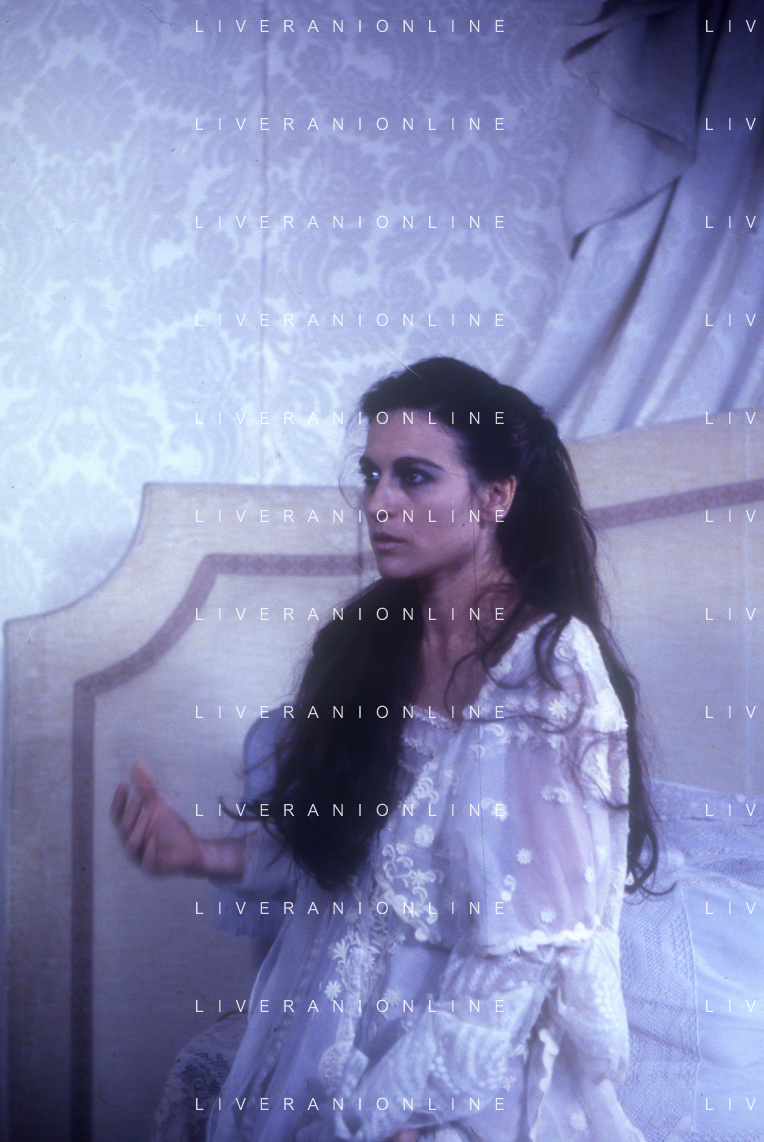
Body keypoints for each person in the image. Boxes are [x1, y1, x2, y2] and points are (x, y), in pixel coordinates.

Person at [112, 356, 656, 1142]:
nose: (379, 503)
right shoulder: (366, 642)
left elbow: (527, 952)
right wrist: (196, 851)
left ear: (496, 496)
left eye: (415, 477)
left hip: (472, 1053)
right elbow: (352, 859)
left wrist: (397, 1111)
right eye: (372, 474)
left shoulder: (549, 667)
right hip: (332, 1021)